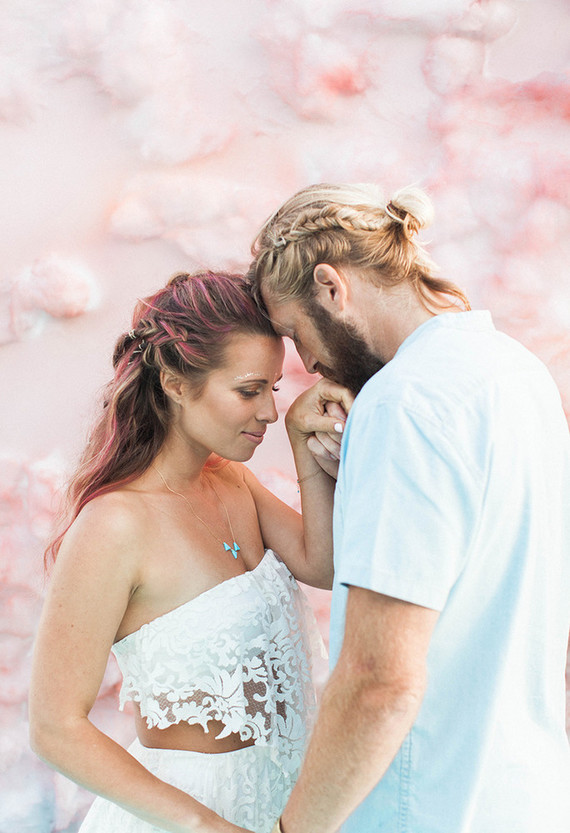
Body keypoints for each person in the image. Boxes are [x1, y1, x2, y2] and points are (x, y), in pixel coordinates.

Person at [248, 183, 570, 833]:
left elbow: (379, 681)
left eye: (294, 332)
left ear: (331, 287)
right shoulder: (519, 372)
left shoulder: (405, 403)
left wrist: (293, 830)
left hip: (426, 806)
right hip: (526, 799)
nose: (306, 362)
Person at [29, 271, 348, 833]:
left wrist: (304, 444)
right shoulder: (113, 526)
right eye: (249, 391)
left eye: (273, 389)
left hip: (287, 800)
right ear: (175, 383)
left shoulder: (230, 480)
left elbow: (322, 565)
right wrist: (208, 828)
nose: (269, 413)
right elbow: (55, 728)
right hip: (190, 816)